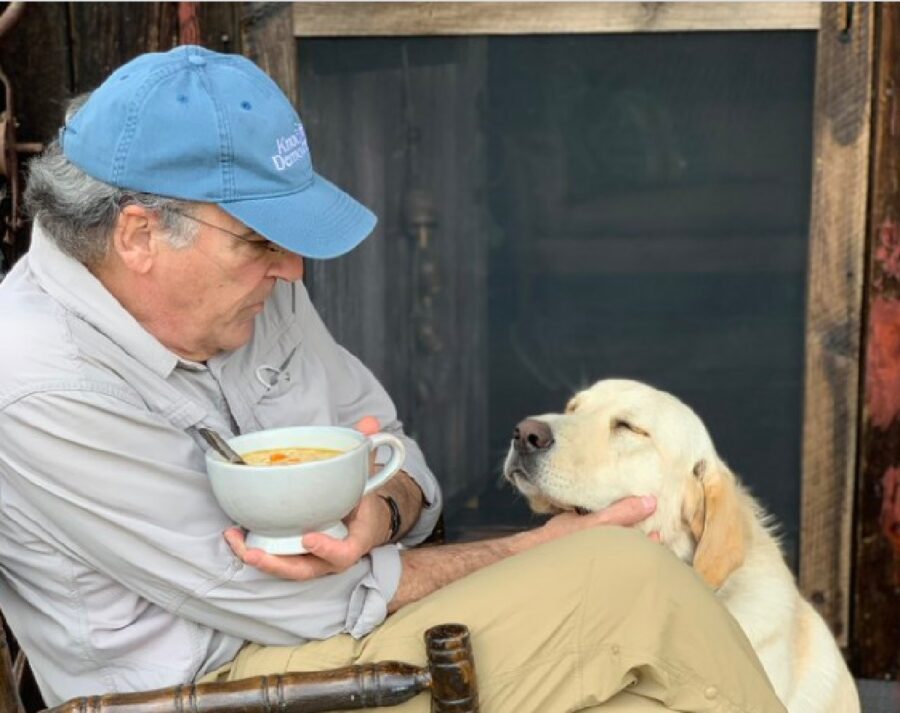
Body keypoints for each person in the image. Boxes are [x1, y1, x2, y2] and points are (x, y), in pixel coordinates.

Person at [0, 46, 786, 713]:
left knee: (645, 693)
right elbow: (286, 599)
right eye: (258, 239)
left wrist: (383, 506)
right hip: (222, 689)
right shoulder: (35, 380)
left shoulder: (253, 292)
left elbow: (399, 455)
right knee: (631, 577)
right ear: (139, 234)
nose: (293, 267)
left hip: (344, 638)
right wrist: (538, 547)